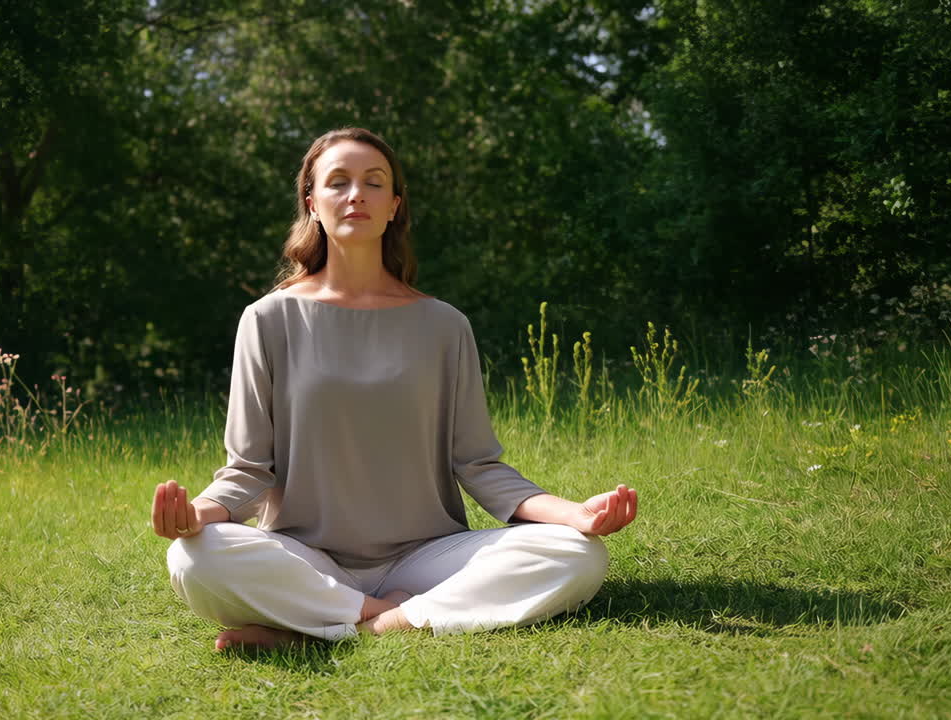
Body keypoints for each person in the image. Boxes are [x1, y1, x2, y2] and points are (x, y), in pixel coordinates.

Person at [151, 127, 637, 651]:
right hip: (305, 557)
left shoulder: (444, 324)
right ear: (313, 204)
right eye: (338, 182)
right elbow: (248, 470)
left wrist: (575, 515)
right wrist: (195, 515)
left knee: (579, 554)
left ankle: (339, 628)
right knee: (194, 556)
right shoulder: (268, 320)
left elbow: (478, 466)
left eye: (372, 182)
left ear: (393, 206)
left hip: (429, 556)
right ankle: (387, 615)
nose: (355, 193)